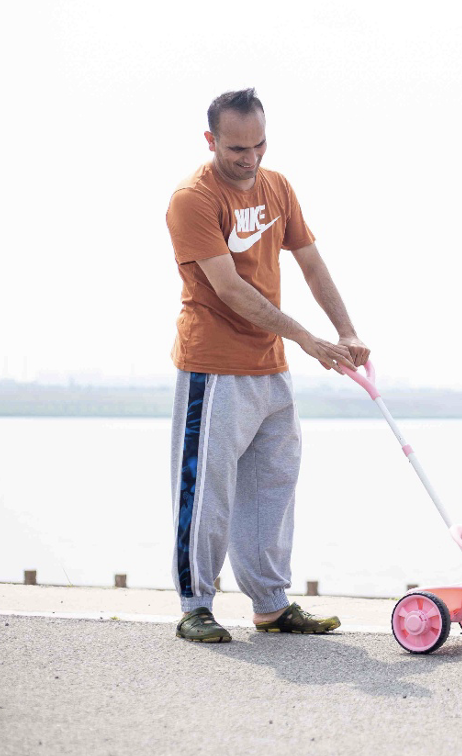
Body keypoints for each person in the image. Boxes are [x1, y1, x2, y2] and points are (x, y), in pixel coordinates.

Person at [165, 88, 370, 642]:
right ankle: (195, 606)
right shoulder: (192, 199)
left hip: (270, 367)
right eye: (237, 148)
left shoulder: (277, 185)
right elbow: (229, 288)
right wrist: (306, 338)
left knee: (272, 487)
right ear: (211, 141)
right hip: (214, 366)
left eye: (259, 145)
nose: (250, 158)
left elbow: (311, 263)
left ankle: (271, 606)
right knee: (206, 491)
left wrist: (346, 330)